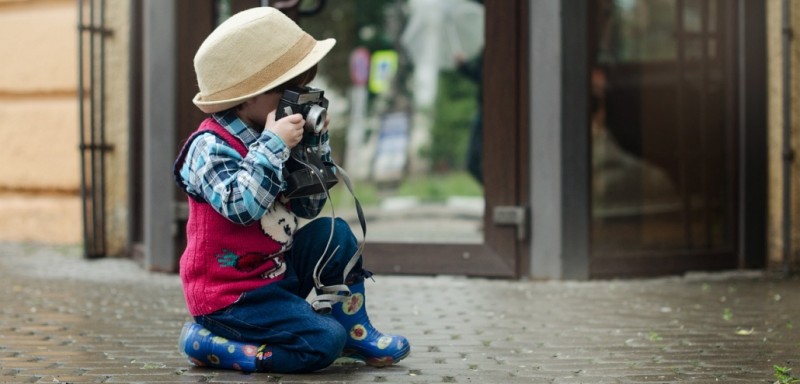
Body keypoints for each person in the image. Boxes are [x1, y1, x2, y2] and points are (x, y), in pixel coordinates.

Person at [173, 7, 409, 373]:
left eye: (302, 87)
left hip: (275, 274)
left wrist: (315, 145)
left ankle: (353, 328)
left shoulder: (277, 136)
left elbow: (311, 207)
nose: (296, 98)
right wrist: (273, 146)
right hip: (230, 298)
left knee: (336, 233)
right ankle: (213, 345)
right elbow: (242, 207)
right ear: (247, 95)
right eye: (289, 89)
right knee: (322, 341)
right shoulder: (209, 146)